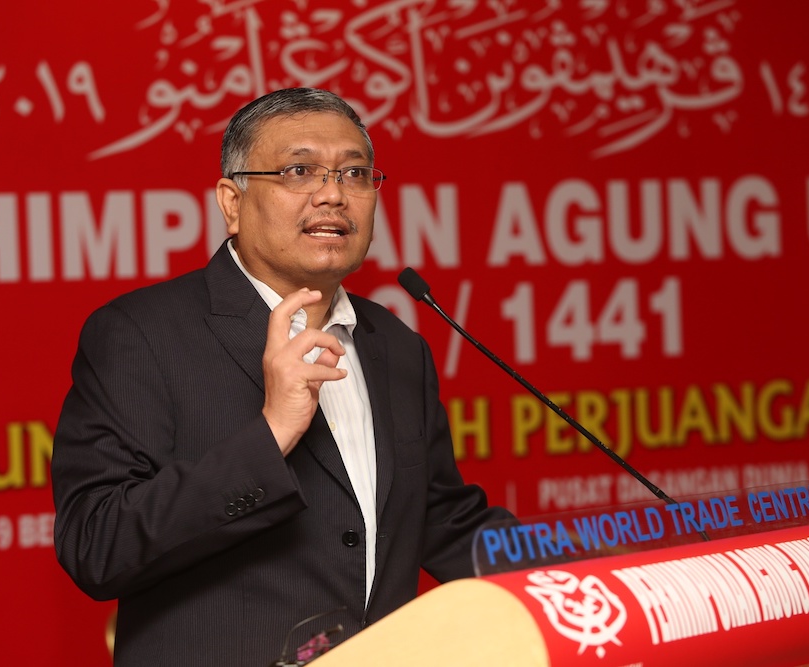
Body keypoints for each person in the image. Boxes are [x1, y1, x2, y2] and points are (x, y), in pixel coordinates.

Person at [51, 87, 512, 666]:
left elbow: (443, 520)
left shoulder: (395, 344)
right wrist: (271, 433)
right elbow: (97, 546)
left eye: (355, 173)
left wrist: (589, 575)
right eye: (300, 170)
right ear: (232, 201)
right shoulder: (140, 334)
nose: (333, 194)